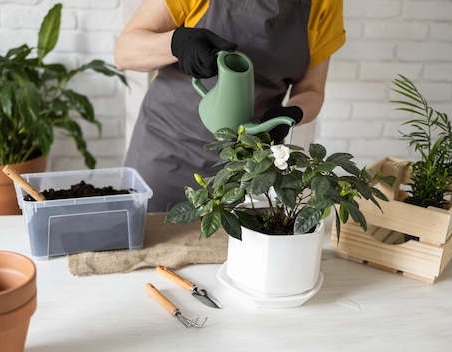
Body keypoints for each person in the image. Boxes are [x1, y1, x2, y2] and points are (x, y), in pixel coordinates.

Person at [115, 0, 345, 212]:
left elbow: (311, 89)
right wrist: (176, 43)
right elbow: (124, 52)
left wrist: (290, 114)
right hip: (165, 149)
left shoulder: (323, 3)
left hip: (246, 166)